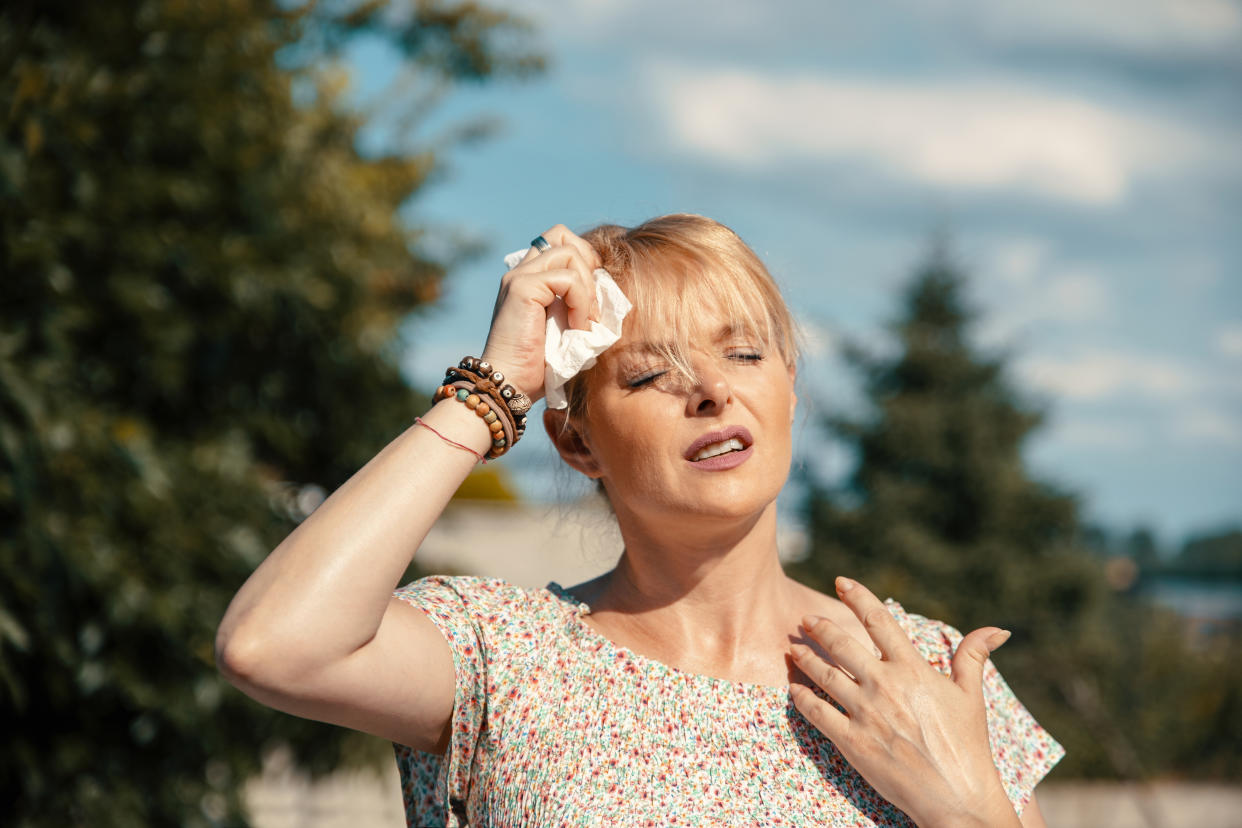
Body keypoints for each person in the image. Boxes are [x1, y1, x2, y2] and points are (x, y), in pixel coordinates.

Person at [216, 215, 1063, 827]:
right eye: (653, 374)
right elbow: (271, 644)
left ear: (790, 387)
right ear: (575, 440)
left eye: (744, 354)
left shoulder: (924, 673)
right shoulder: (504, 657)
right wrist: (491, 391)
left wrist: (970, 813)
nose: (712, 391)